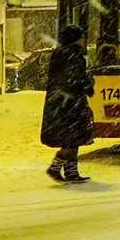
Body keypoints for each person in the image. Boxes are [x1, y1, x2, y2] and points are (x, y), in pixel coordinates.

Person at [40, 25, 95, 184]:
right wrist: (87, 83)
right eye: (82, 36)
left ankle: (72, 172)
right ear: (75, 39)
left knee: (73, 138)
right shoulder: (71, 55)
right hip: (68, 103)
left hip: (63, 101)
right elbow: (72, 79)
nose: (84, 40)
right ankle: (56, 167)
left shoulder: (63, 53)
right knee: (72, 138)